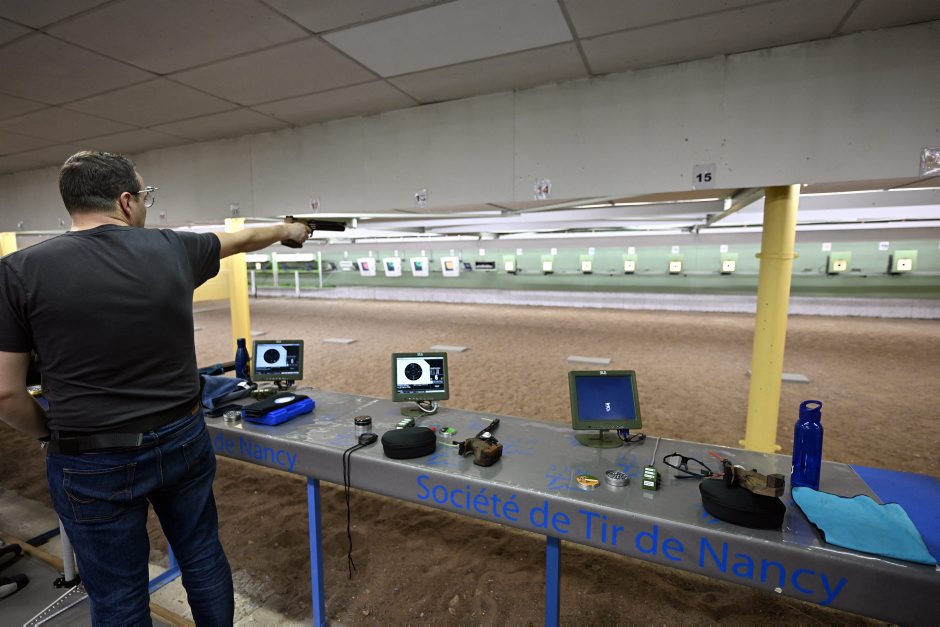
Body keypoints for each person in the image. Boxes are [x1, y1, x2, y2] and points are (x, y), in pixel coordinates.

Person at [0, 150, 311, 625]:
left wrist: (48, 432)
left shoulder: (19, 270)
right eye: (145, 196)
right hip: (182, 438)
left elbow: (6, 394)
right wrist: (289, 231)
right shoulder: (171, 248)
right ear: (126, 201)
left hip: (90, 456)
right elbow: (243, 238)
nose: (146, 206)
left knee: (119, 596)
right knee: (202, 556)